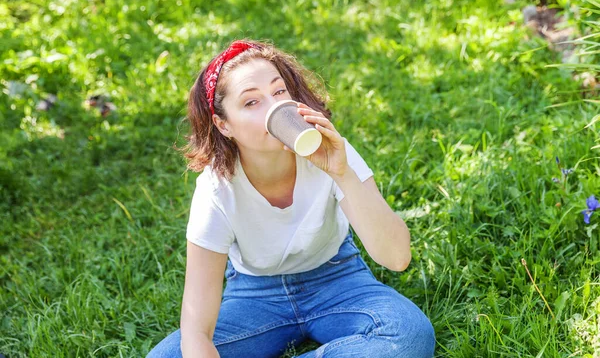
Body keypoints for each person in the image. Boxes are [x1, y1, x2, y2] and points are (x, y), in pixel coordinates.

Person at [147, 40, 435, 358]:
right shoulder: (216, 188)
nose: (273, 106)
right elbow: (197, 330)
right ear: (224, 124)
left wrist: (342, 172)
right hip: (255, 295)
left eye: (279, 92)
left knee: (408, 336)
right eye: (251, 102)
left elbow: (397, 257)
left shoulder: (331, 150)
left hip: (336, 276)